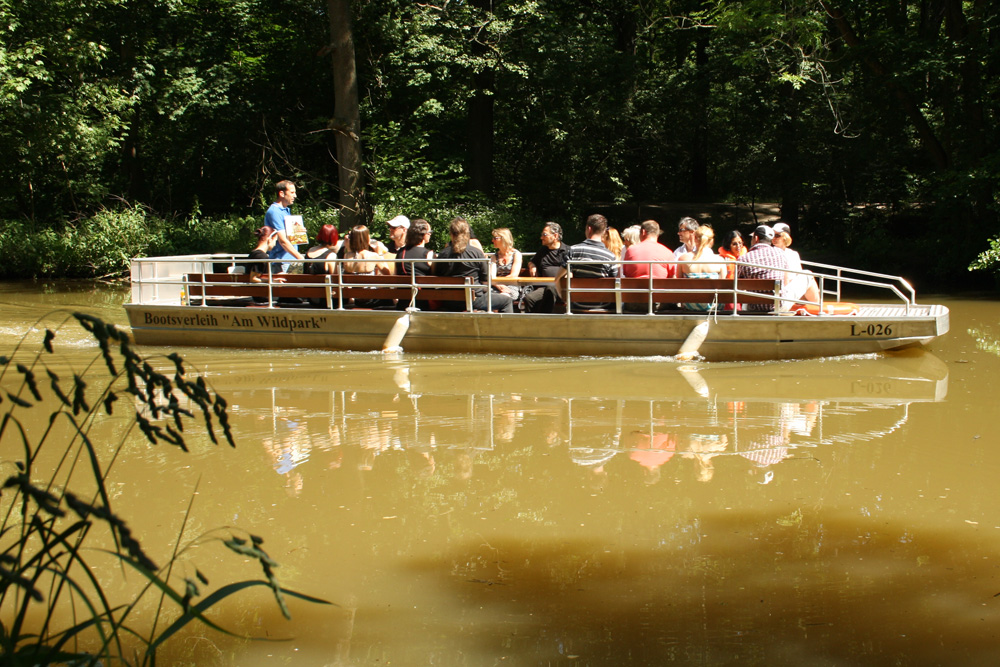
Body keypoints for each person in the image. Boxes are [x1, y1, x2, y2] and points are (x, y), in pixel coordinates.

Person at [434, 218, 514, 313]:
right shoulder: (476, 253)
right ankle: (505, 328)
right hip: (474, 300)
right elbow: (485, 279)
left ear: (451, 234)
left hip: (449, 301)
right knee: (506, 301)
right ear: (467, 234)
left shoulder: (443, 254)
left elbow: (438, 276)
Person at [544, 214, 619, 313]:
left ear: (589, 229)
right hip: (602, 306)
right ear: (604, 231)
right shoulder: (610, 256)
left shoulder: (573, 250)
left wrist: (564, 298)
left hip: (576, 305)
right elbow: (614, 282)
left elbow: (557, 278)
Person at [737, 225, 788, 312]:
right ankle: (817, 311)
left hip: (753, 307)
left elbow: (738, 284)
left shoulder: (743, 259)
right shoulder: (781, 254)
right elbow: (786, 281)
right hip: (778, 306)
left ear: (756, 238)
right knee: (807, 276)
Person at [522, 222, 569, 313]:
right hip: (543, 287)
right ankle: (532, 324)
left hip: (561, 288)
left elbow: (573, 270)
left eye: (544, 235)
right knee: (529, 298)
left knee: (550, 289)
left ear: (555, 236)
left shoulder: (567, 251)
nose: (541, 237)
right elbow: (532, 261)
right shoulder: (543, 251)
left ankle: (544, 321)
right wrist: (532, 265)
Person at [677, 225, 726, 311]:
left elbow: (679, 283)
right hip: (713, 307)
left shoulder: (683, 259)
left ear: (695, 239)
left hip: (690, 305)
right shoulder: (720, 260)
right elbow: (722, 286)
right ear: (711, 241)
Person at [772, 222, 820, 308]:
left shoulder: (793, 254)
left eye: (777, 235)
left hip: (790, 291)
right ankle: (817, 307)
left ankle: (815, 307)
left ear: (785, 237)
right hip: (781, 292)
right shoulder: (770, 253)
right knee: (808, 275)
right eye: (772, 235)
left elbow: (798, 275)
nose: (774, 238)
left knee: (806, 276)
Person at [264, 180, 304, 272]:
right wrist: (300, 258)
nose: (295, 196)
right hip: (281, 262)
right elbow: (282, 240)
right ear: (281, 193)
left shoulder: (285, 210)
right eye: (292, 192)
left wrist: (299, 232)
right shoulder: (275, 211)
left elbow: (289, 235)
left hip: (289, 260)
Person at [248, 227, 285, 303]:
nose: (275, 244)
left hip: (259, 293)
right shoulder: (261, 256)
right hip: (263, 295)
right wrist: (273, 281)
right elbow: (253, 279)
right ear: (269, 239)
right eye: (275, 241)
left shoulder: (253, 253)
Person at [490, 227, 522, 302]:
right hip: (496, 286)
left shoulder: (516, 254)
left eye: (495, 238)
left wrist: (501, 285)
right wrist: (500, 286)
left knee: (502, 297)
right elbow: (492, 276)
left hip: (511, 286)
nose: (492, 240)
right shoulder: (494, 257)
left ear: (503, 238)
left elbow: (513, 275)